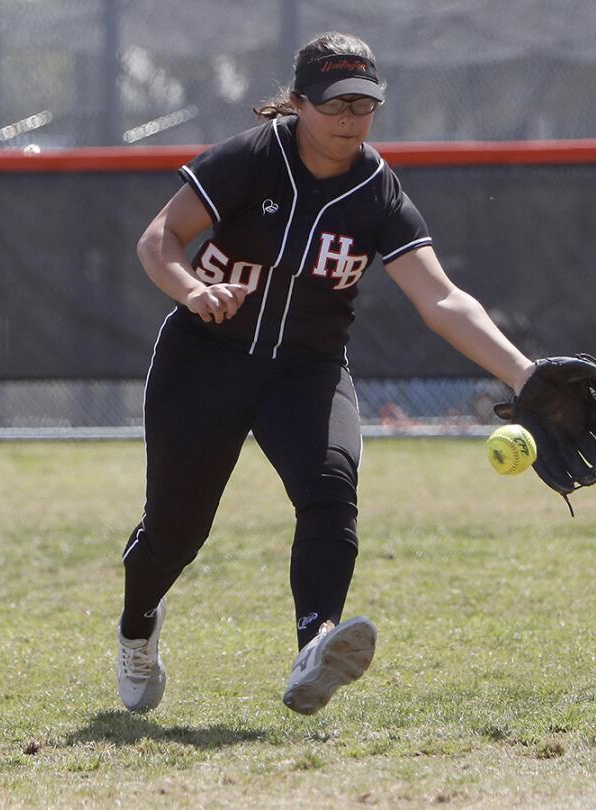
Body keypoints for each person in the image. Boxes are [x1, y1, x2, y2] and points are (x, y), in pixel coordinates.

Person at [116, 31, 542, 716]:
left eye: (363, 104)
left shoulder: (376, 190)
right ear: (297, 103)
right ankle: (137, 629)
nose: (349, 119)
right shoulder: (252, 159)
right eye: (333, 103)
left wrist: (525, 375)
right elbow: (159, 238)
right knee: (176, 530)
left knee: (329, 490)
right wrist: (193, 290)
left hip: (306, 368)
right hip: (207, 355)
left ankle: (315, 643)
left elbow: (440, 299)